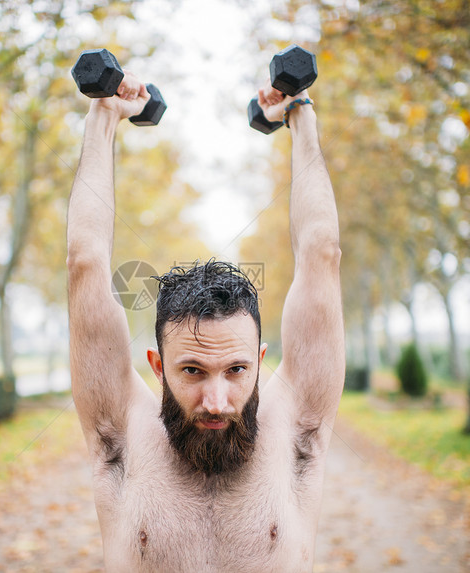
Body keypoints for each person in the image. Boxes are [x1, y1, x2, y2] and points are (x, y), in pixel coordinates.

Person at [66, 69, 345, 571]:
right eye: (192, 370)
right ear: (157, 365)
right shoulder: (122, 435)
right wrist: (102, 114)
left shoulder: (294, 428)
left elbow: (321, 252)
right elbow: (85, 262)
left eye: (237, 370)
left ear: (261, 361)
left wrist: (300, 113)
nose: (216, 402)